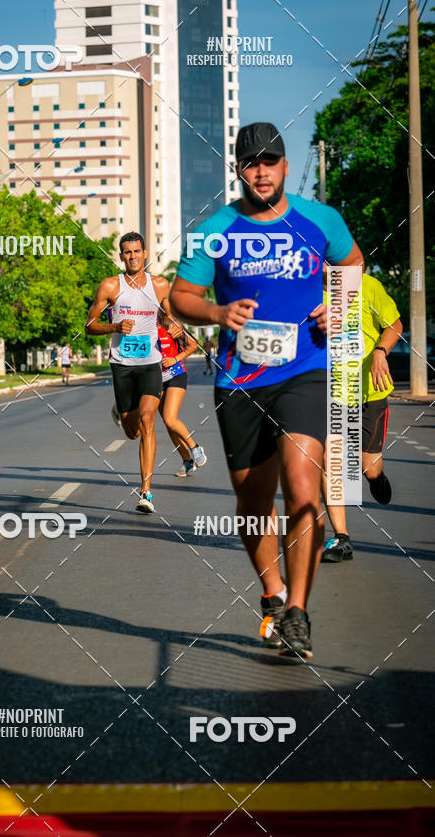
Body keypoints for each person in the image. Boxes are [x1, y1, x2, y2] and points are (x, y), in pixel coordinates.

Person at [170, 121, 364, 658]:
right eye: (251, 163)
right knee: (254, 502)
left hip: (306, 369)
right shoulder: (214, 229)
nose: (261, 171)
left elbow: (352, 265)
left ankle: (298, 612)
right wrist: (216, 312)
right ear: (238, 169)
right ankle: (273, 595)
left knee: (302, 487)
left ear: (284, 165)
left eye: (270, 161)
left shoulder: (321, 219)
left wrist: (338, 306)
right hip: (241, 379)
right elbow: (180, 296)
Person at [85, 231, 171, 514]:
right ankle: (121, 411)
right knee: (132, 432)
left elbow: (168, 317)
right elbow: (89, 326)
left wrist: (173, 326)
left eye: (137, 251)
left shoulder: (160, 285)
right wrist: (114, 327)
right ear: (121, 256)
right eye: (127, 252)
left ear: (145, 253)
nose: (133, 256)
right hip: (122, 364)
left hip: (150, 363)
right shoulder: (110, 286)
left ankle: (146, 492)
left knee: (148, 420)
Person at [321, 272, 403, 562]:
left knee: (368, 468)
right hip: (329, 393)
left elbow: (394, 324)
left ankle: (376, 477)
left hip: (370, 392)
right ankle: (341, 538)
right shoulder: (304, 290)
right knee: (329, 462)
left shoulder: (366, 285)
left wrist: (381, 351)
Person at [157, 312, 207, 476]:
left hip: (175, 375)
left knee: (170, 418)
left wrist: (175, 359)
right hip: (156, 379)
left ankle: (195, 447)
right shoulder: (141, 326)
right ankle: (187, 461)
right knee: (168, 424)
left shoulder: (168, 321)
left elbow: (193, 344)